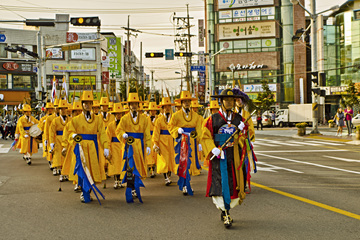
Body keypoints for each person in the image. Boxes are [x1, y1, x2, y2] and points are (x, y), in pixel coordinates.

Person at [201, 89, 256, 228]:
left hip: (235, 156)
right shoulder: (212, 119)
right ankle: (226, 213)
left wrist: (243, 131)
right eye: (227, 100)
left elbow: (245, 138)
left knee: (234, 183)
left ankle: (226, 209)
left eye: (232, 100)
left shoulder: (239, 119)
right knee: (221, 183)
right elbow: (205, 135)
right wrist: (212, 148)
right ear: (221, 101)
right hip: (219, 156)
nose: (230, 103)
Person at [67, 91, 110, 203]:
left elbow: (102, 133)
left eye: (89, 103)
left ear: (92, 105)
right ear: (82, 105)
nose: (87, 105)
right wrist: (73, 135)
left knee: (91, 169)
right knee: (82, 169)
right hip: (80, 148)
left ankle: (89, 191)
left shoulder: (98, 119)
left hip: (93, 148)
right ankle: (83, 192)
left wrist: (105, 146)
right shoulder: (76, 120)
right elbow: (70, 131)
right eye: (85, 103)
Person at [115, 92, 151, 203]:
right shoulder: (124, 118)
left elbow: (147, 133)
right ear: (129, 105)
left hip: (139, 147)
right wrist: (123, 134)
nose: (134, 106)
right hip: (129, 148)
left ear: (138, 105)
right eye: (132, 104)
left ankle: (136, 188)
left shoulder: (144, 119)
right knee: (130, 168)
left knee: (138, 168)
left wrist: (149, 145)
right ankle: (131, 188)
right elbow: (118, 130)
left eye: (136, 104)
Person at [168, 91, 203, 195]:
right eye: (185, 101)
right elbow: (170, 126)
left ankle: (187, 183)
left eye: (188, 101)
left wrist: (199, 142)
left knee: (190, 164)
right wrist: (177, 130)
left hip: (192, 140)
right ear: (181, 103)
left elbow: (199, 129)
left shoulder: (196, 116)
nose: (187, 103)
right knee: (183, 162)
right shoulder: (176, 115)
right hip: (182, 141)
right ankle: (185, 185)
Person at [153, 97, 177, 186]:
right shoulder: (159, 120)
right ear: (162, 109)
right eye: (165, 107)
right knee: (164, 160)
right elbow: (156, 132)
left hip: (172, 141)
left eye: (168, 106)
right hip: (162, 141)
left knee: (171, 159)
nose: (167, 108)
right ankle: (166, 177)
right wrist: (155, 143)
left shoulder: (174, 118)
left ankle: (169, 176)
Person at [106, 103, 126, 189]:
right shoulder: (110, 125)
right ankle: (116, 181)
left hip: (122, 145)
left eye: (120, 113)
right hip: (114, 146)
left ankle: (121, 180)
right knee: (115, 164)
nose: (119, 115)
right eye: (117, 114)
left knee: (122, 163)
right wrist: (108, 148)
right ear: (114, 114)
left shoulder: (125, 124)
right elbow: (107, 137)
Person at [49, 100, 70, 182]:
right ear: (59, 110)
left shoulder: (71, 120)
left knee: (67, 157)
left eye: (65, 109)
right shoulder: (55, 120)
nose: (63, 111)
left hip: (68, 141)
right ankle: (61, 174)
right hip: (58, 140)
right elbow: (51, 132)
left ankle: (67, 173)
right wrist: (51, 142)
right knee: (59, 158)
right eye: (61, 109)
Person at [146, 101, 159, 178]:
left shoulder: (159, 119)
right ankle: (151, 169)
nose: (153, 112)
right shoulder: (146, 119)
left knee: (155, 154)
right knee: (149, 154)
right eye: (151, 111)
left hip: (156, 138)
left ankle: (154, 168)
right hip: (149, 138)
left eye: (154, 110)